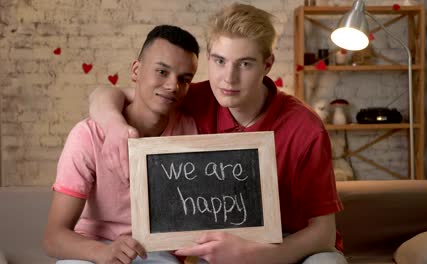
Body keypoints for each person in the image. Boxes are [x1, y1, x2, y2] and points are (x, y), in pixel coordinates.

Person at [89, 3, 346, 264]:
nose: (228, 79)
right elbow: (110, 94)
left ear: (267, 65)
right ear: (209, 57)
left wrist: (258, 256)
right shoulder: (195, 97)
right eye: (220, 61)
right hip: (219, 243)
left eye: (245, 64)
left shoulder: (306, 127)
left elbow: (323, 234)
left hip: (289, 244)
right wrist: (114, 126)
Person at [42, 25, 200, 264]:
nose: (172, 86)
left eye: (184, 79)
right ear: (136, 70)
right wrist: (103, 253)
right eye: (161, 72)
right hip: (89, 249)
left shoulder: (190, 130)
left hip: (155, 252)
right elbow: (53, 237)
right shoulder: (87, 135)